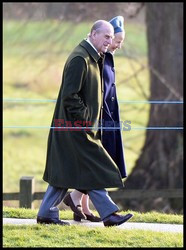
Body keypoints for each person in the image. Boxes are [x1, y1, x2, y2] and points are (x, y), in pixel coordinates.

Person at [37, 19, 133, 227]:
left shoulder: (92, 57)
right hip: (75, 128)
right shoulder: (80, 59)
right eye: (106, 36)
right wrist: (86, 121)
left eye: (111, 37)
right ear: (93, 34)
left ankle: (46, 213)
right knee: (96, 166)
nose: (109, 41)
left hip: (78, 128)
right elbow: (70, 96)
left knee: (64, 171)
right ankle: (109, 214)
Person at [63, 16, 127, 222]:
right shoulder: (95, 57)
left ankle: (76, 202)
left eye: (117, 41)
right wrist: (87, 119)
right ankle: (104, 211)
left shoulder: (106, 56)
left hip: (105, 117)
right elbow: (83, 93)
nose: (116, 45)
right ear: (97, 35)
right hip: (94, 119)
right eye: (116, 40)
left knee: (94, 160)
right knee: (97, 161)